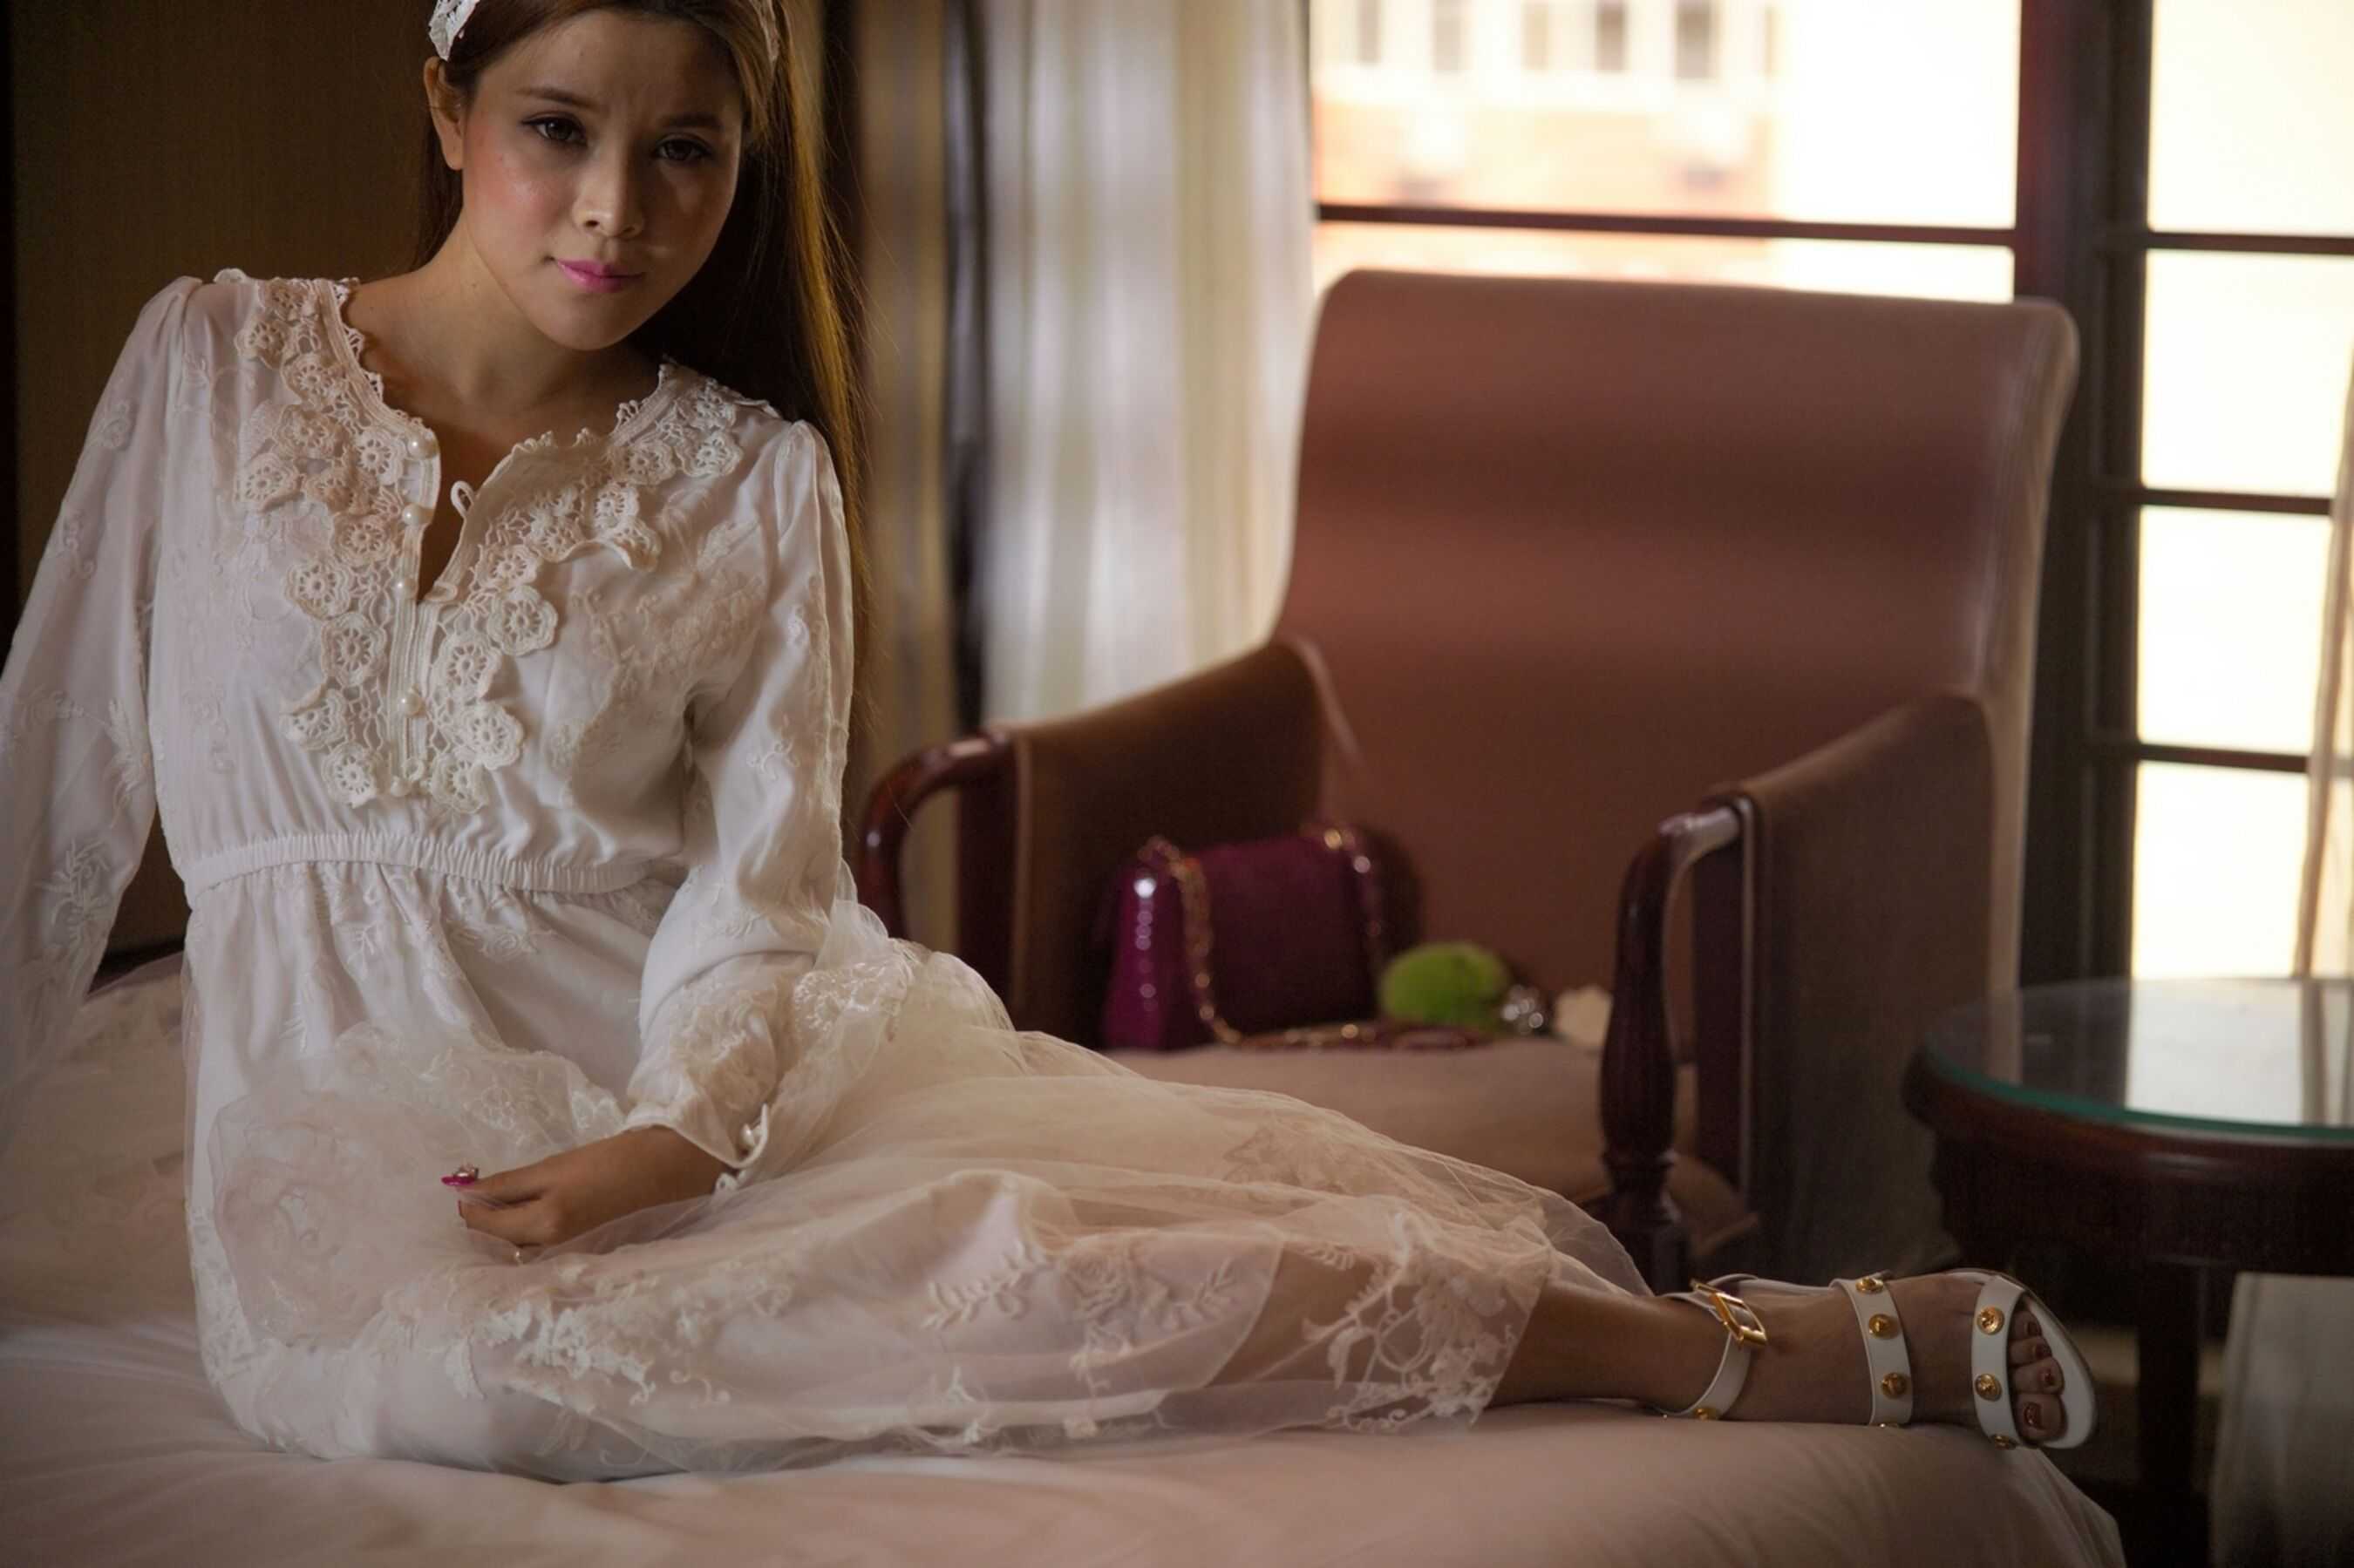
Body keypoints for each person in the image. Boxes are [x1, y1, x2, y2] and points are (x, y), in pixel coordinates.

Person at [0, 0, 2095, 1481]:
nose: (617, 208)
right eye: (558, 126)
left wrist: (682, 1136)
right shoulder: (210, 364)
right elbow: (49, 787)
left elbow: (761, 895)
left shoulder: (749, 477)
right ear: (446, 101)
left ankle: (1694, 1347)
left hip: (664, 1087)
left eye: (688, 150)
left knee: (1031, 1248)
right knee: (449, 1387)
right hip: (338, 1141)